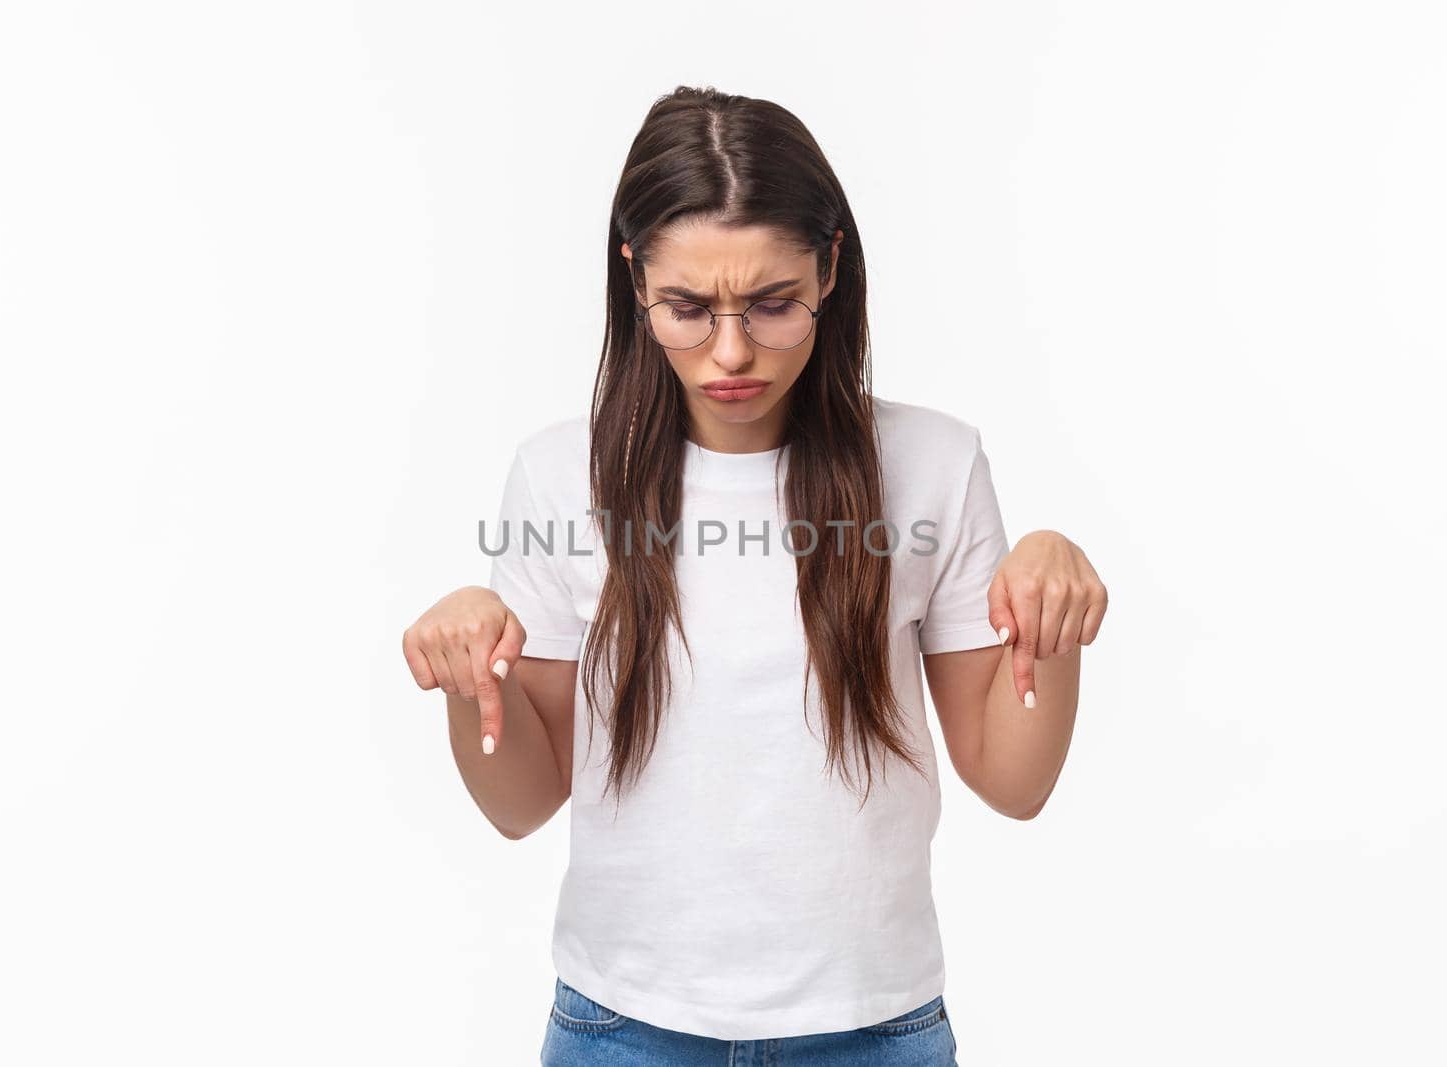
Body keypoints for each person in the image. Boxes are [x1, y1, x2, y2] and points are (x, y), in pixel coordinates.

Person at [401, 85, 1108, 1066]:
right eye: (686, 308)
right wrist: (468, 672)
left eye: (772, 303)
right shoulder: (560, 474)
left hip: (871, 1026)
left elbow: (1013, 778)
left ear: (828, 268)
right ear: (633, 280)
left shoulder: (934, 464)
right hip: (623, 1027)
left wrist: (1048, 611)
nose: (730, 352)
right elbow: (520, 800)